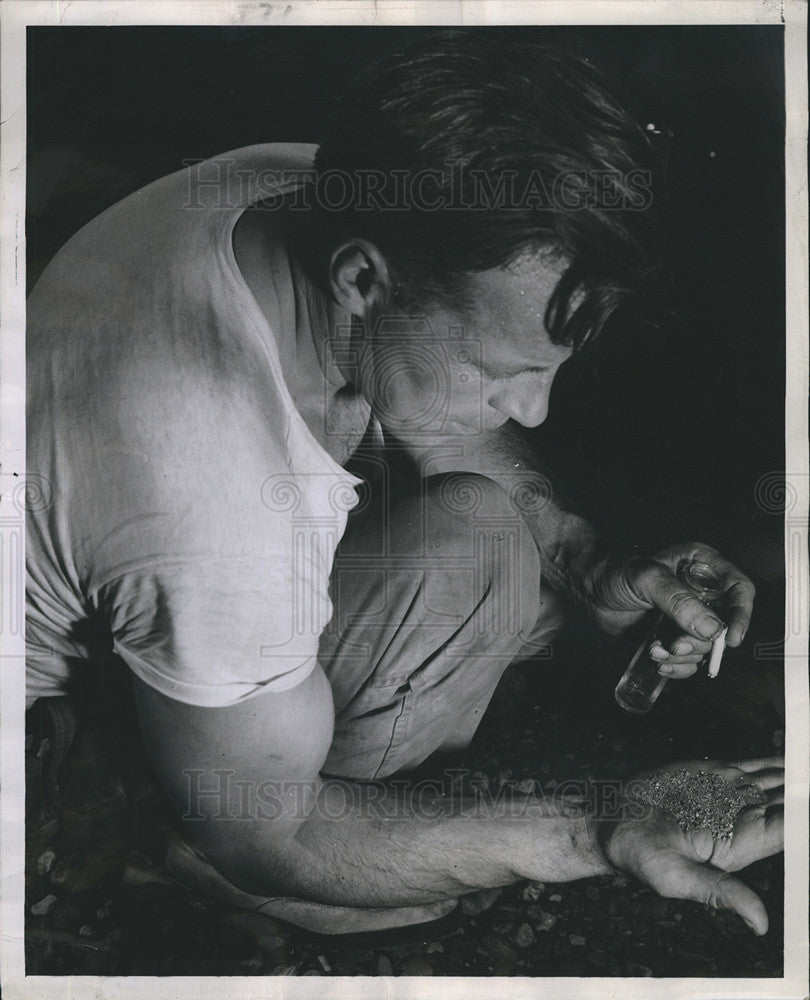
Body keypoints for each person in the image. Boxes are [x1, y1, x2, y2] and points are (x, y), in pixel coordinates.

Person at [26, 33, 783, 937]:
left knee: (496, 542)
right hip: (84, 710)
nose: (533, 412)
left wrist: (584, 557)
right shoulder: (209, 491)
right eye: (497, 368)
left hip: (160, 588)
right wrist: (601, 829)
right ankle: (154, 842)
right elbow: (271, 828)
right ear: (361, 279)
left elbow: (437, 410)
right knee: (472, 583)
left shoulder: (300, 188)